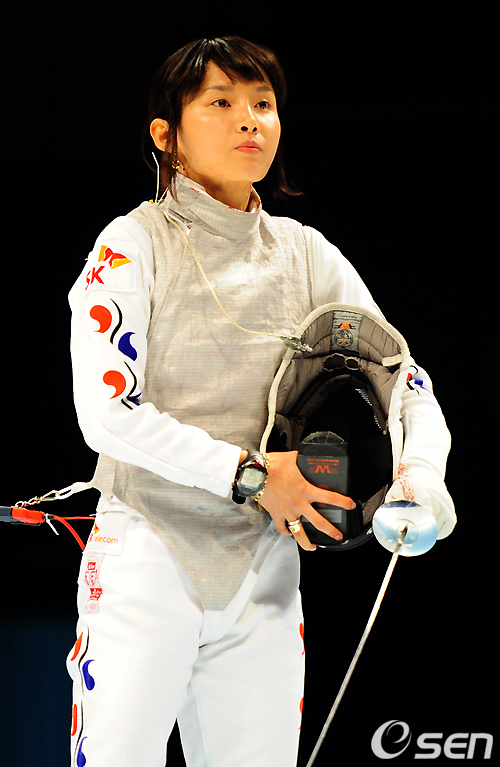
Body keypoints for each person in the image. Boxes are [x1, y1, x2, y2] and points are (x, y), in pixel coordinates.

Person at [66, 36, 455, 767]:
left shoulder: (305, 254)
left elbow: (403, 381)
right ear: (166, 134)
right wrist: (250, 475)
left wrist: (420, 480)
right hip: (147, 553)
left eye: (263, 104)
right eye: (221, 102)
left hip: (264, 567)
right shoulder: (131, 245)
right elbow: (108, 413)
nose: (249, 119)